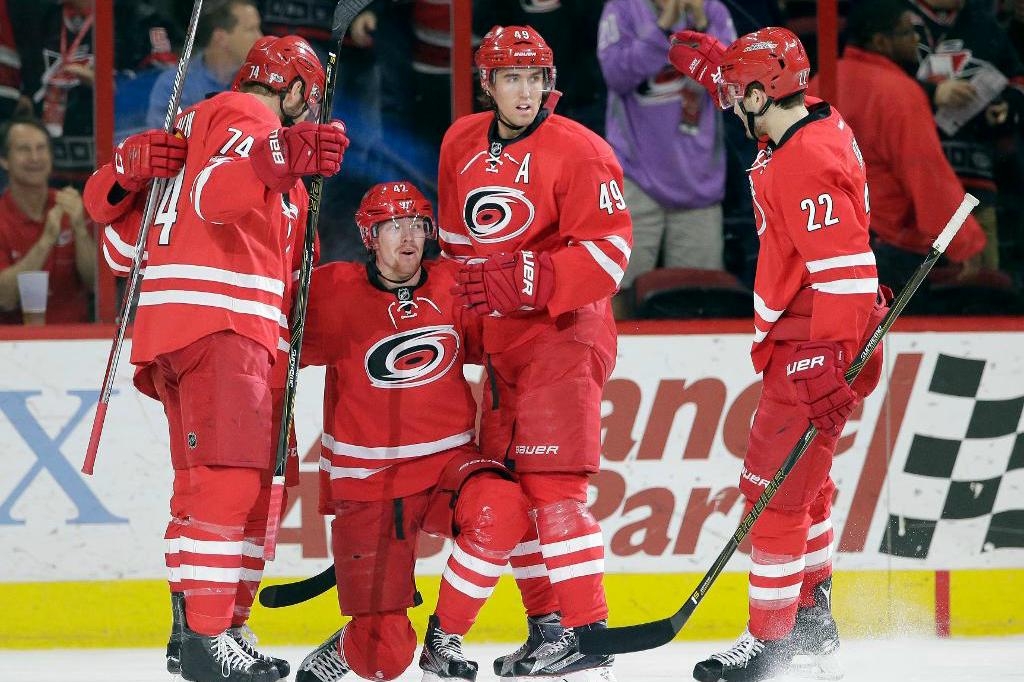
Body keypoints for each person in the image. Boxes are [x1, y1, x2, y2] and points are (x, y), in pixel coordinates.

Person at [83, 34, 348, 682]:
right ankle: (208, 639)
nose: (308, 120)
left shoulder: (190, 126)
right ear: (291, 92)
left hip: (188, 333)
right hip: (224, 324)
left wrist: (120, 176)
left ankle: (203, 631)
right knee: (230, 488)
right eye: (306, 106)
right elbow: (218, 198)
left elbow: (120, 249)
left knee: (218, 492)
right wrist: (279, 152)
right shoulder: (248, 120)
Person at [669, 27, 889, 682]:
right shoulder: (809, 119)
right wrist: (724, 78)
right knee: (806, 486)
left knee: (773, 495)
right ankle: (813, 619)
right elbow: (769, 116)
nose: (733, 103)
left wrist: (827, 359)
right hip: (819, 336)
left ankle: (772, 640)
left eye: (741, 92)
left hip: (816, 342)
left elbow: (846, 273)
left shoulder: (804, 160)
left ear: (766, 92)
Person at [439, 25, 633, 681]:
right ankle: (549, 627)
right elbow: (455, 250)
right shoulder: (460, 142)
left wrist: (533, 279)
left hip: (564, 336)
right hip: (500, 343)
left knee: (553, 487)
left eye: (534, 78)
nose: (525, 92)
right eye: (511, 78)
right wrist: (457, 324)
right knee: (513, 490)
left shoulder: (583, 151)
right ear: (486, 83)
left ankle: (588, 634)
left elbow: (610, 256)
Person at [292, 181, 531, 682]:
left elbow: (502, 347)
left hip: (447, 464)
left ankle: (444, 640)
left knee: (503, 506)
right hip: (370, 481)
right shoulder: (332, 292)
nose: (409, 236)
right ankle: (352, 645)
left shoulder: (453, 283)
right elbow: (268, 331)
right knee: (383, 657)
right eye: (393, 226)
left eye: (418, 224)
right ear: (369, 237)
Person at [807, 0, 986, 294]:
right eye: (907, 32)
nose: (916, 39)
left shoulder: (821, 83)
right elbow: (927, 177)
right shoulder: (897, 92)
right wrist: (963, 242)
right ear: (880, 41)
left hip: (829, 241)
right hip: (890, 247)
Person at [597, 0, 736, 317]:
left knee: (698, 300)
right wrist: (663, 28)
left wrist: (700, 24)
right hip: (635, 179)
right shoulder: (622, 9)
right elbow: (616, 74)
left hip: (698, 185)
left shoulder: (713, 11)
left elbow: (731, 83)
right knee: (618, 292)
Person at [0, 116, 95, 323]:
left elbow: (97, 284)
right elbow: (4, 297)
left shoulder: (72, 207)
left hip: (80, 342)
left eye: (41, 148)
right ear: (4, 160)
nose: (35, 157)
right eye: (24, 149)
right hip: (12, 347)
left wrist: (79, 228)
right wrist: (47, 240)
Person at [145, 0, 263, 129]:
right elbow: (163, 142)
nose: (260, 37)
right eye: (251, 30)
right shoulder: (174, 85)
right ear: (221, 38)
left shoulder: (262, 80)